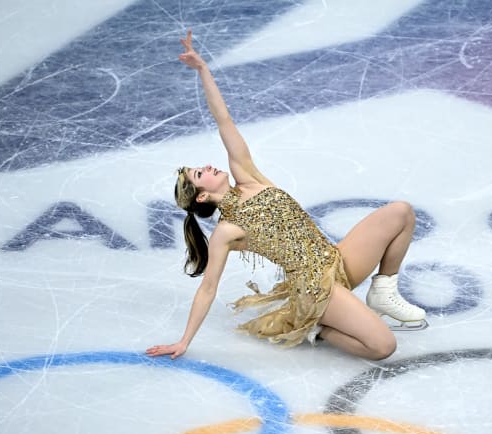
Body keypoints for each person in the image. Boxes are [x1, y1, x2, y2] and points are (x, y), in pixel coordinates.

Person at [145, 31, 427, 362]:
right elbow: (208, 288)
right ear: (203, 197)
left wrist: (203, 69)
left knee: (400, 212)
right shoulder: (227, 231)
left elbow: (224, 121)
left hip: (335, 260)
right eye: (199, 174)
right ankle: (317, 327)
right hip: (313, 288)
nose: (207, 166)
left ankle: (383, 291)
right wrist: (183, 341)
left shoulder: (248, 177)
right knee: (383, 347)